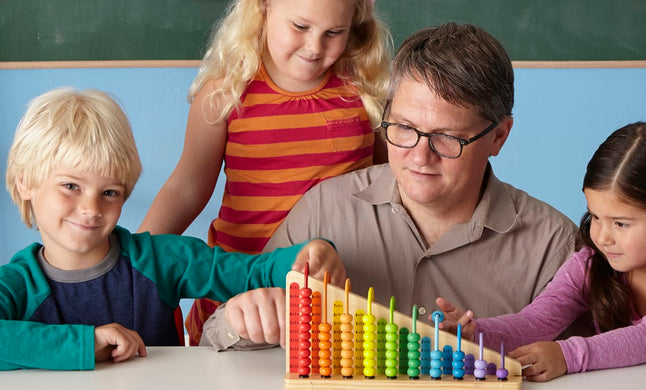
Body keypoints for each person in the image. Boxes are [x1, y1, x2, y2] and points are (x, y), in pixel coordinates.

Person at [202, 22, 578, 350]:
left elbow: (589, 383)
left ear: (499, 136)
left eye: (447, 138)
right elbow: (213, 340)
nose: (419, 156)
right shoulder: (324, 211)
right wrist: (242, 320)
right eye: (404, 129)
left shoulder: (553, 247)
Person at [138, 0, 391, 344]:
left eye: (334, 33)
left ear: (355, 23)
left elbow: (389, 196)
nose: (315, 47)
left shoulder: (366, 96)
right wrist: (129, 259)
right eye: (300, 26)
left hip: (333, 304)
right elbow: (186, 189)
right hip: (241, 301)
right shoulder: (225, 94)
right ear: (263, 5)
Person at [1, 87, 344, 371]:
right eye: (71, 186)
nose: (91, 208)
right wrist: (84, 343)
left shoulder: (160, 259)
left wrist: (305, 256)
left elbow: (250, 273)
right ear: (25, 183)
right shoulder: (16, 284)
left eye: (109, 193)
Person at [439, 122, 646, 381]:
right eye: (596, 216)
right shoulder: (590, 263)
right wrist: (476, 333)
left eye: (621, 224)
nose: (601, 236)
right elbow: (537, 321)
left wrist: (567, 354)